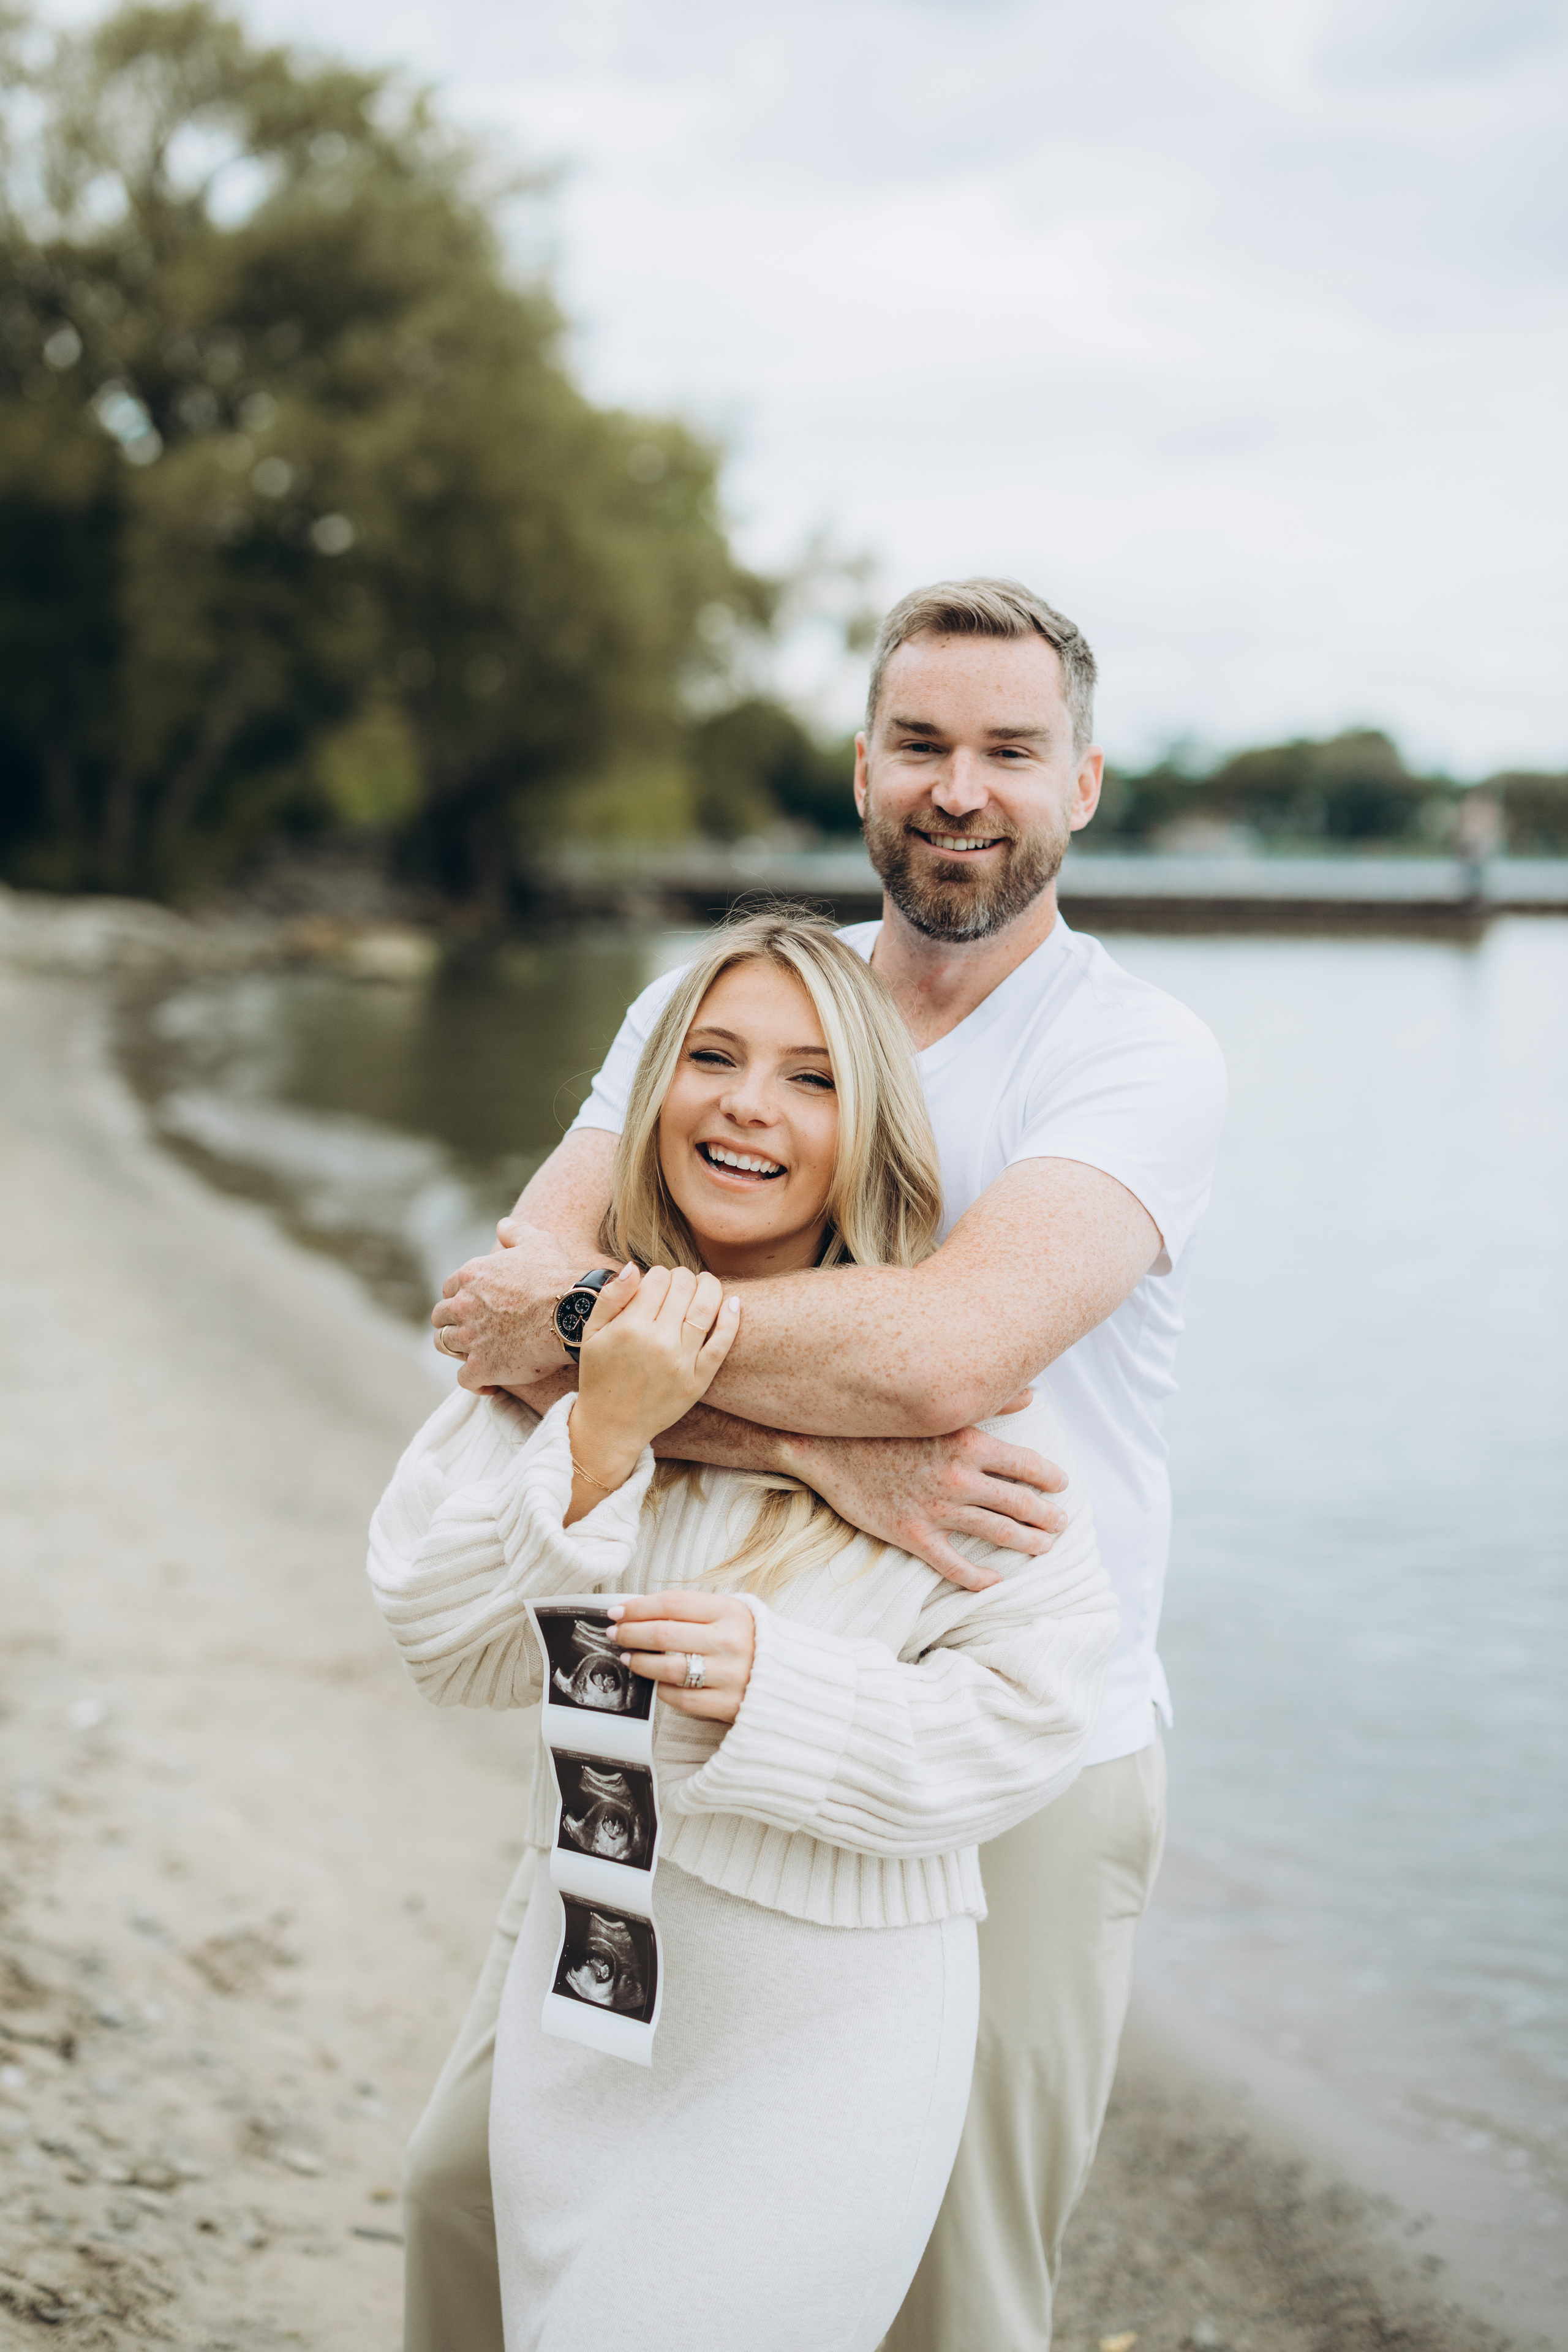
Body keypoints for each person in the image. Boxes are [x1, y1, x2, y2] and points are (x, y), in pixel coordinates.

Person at [415, 577, 1229, 2352]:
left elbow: (950, 1352)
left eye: (1012, 751)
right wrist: (826, 1457)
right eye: (923, 743)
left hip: (1000, 1739)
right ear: (863, 766)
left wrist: (643, 1362)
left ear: (1083, 785)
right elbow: (493, 1314)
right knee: (474, 2193)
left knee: (949, 2294)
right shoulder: (713, 1009)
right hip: (674, 1702)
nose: (961, 787)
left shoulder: (1134, 1056)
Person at [369, 913, 1120, 2352]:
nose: (746, 1105)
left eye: (810, 1078)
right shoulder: (555, 1383)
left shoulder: (951, 1435)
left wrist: (784, 1693)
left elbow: (1030, 1720)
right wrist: (603, 1439)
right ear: (654, 1100)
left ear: (869, 1128)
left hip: (823, 2057)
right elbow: (438, 1639)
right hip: (581, 2018)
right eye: (710, 1058)